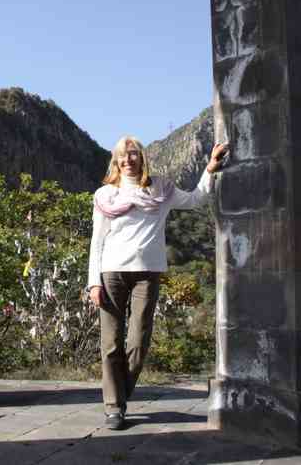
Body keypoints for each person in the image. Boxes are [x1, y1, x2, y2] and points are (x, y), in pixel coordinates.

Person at [86, 135, 228, 430]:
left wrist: (210, 169)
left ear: (142, 158)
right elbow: (97, 241)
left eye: (133, 154)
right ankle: (114, 407)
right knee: (110, 343)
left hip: (147, 273)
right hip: (111, 272)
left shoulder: (161, 188)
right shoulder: (105, 195)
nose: (128, 159)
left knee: (139, 341)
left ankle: (119, 394)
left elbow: (195, 199)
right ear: (116, 161)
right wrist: (93, 282)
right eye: (122, 155)